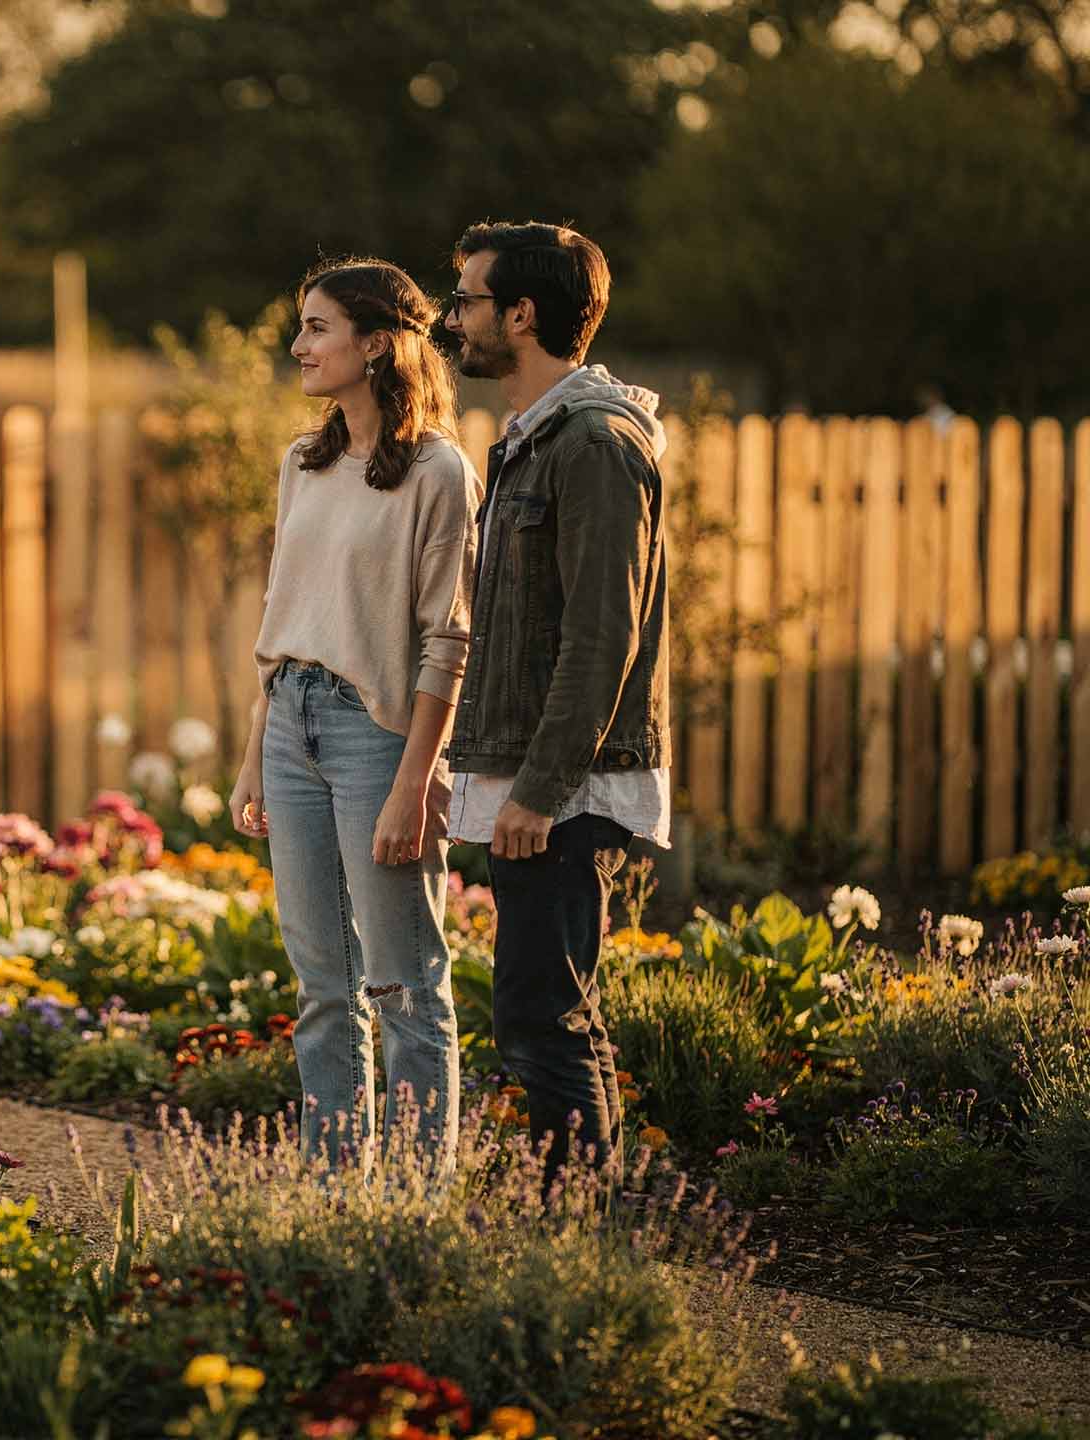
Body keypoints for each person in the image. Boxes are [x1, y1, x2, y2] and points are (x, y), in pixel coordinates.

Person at [230, 257, 481, 1168]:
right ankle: (339, 1196)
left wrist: (415, 782)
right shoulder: (304, 460)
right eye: (302, 327)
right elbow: (280, 616)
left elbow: (446, 641)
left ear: (377, 343)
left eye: (318, 327)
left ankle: (416, 1206)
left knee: (405, 986)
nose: (299, 345)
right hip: (291, 722)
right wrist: (256, 752)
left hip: (378, 740)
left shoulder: (440, 474)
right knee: (322, 988)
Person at [439, 221, 671, 1184]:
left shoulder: (595, 446)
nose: (453, 319)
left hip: (566, 788)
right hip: (533, 776)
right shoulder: (531, 441)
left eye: (467, 300)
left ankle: (577, 1233)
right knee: (541, 1008)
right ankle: (572, 1219)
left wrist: (539, 787)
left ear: (521, 315)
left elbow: (600, 639)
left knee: (546, 1013)